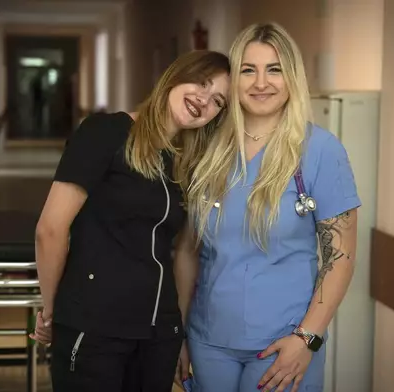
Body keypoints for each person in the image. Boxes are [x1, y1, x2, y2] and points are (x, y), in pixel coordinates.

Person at [174, 23, 361, 392]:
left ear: (291, 77)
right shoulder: (207, 149)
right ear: (234, 79)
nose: (261, 82)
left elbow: (340, 256)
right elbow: (187, 251)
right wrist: (176, 333)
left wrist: (308, 338)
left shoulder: (321, 150)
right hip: (208, 340)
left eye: (274, 69)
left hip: (284, 343)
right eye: (248, 70)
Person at [29, 49, 230, 391]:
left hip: (157, 335)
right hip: (95, 328)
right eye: (201, 82)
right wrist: (53, 310)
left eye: (218, 101)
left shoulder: (186, 165)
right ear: (176, 75)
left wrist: (177, 329)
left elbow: (183, 252)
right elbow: (50, 230)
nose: (203, 99)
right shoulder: (104, 132)